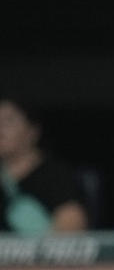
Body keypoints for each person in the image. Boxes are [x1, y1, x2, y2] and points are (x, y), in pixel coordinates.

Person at [0, 95, 88, 235]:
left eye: (8, 121)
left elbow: (72, 225)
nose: (1, 131)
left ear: (32, 131)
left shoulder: (55, 175)